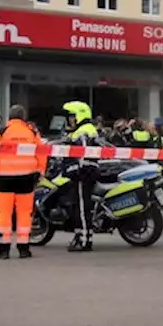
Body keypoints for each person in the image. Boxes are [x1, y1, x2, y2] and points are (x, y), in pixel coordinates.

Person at [0, 105, 48, 260]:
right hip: (26, 178)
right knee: (24, 213)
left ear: (10, 117)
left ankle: (4, 249)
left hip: (4, 178)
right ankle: (24, 248)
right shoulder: (32, 133)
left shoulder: (0, 133)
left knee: (4, 214)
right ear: (23, 117)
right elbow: (42, 153)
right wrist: (40, 172)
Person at [63, 100, 101, 252]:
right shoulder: (84, 129)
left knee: (82, 207)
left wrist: (79, 169)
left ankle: (86, 240)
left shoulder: (84, 130)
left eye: (72, 116)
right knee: (77, 206)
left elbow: (85, 152)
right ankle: (79, 236)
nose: (70, 119)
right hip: (82, 172)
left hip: (83, 173)